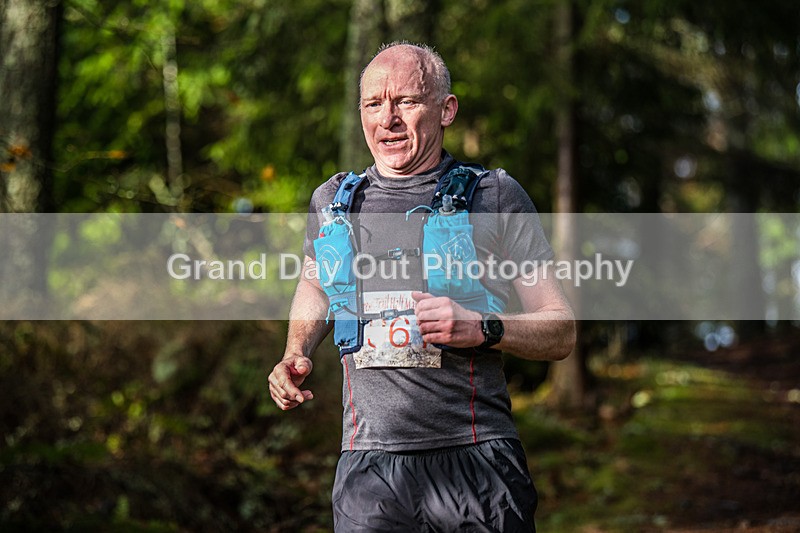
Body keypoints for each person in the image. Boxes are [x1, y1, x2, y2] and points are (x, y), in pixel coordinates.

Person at [268, 42, 575, 532]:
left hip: (476, 463)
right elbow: (317, 284)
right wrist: (295, 350)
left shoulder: (493, 194)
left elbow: (560, 331)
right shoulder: (332, 201)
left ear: (446, 109)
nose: (387, 119)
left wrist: (483, 328)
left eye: (406, 101)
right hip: (368, 470)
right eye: (373, 104)